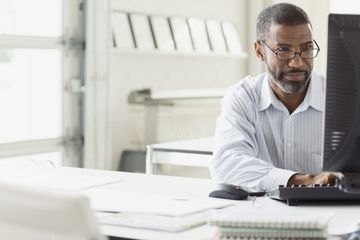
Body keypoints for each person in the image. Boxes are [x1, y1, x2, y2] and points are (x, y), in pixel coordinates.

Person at [210, 3, 339, 192]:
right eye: (283, 50)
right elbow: (227, 164)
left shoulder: (339, 97)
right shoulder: (243, 97)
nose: (297, 62)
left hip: (333, 214)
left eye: (306, 48)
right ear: (260, 51)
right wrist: (303, 180)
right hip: (261, 214)